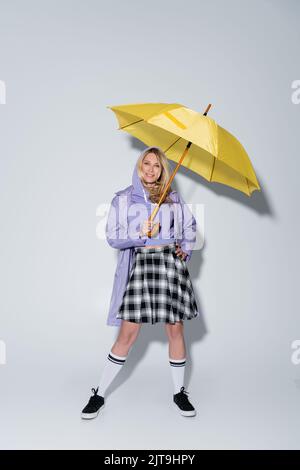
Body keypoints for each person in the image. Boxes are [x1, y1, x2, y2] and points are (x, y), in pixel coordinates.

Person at [81, 146, 199, 419]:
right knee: (127, 334)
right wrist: (139, 232)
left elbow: (190, 227)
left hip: (170, 265)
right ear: (139, 165)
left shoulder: (172, 198)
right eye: (147, 163)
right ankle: (99, 394)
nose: (151, 169)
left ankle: (179, 392)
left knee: (175, 329)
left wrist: (185, 247)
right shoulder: (123, 200)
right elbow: (112, 236)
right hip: (141, 268)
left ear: (162, 171)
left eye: (157, 166)